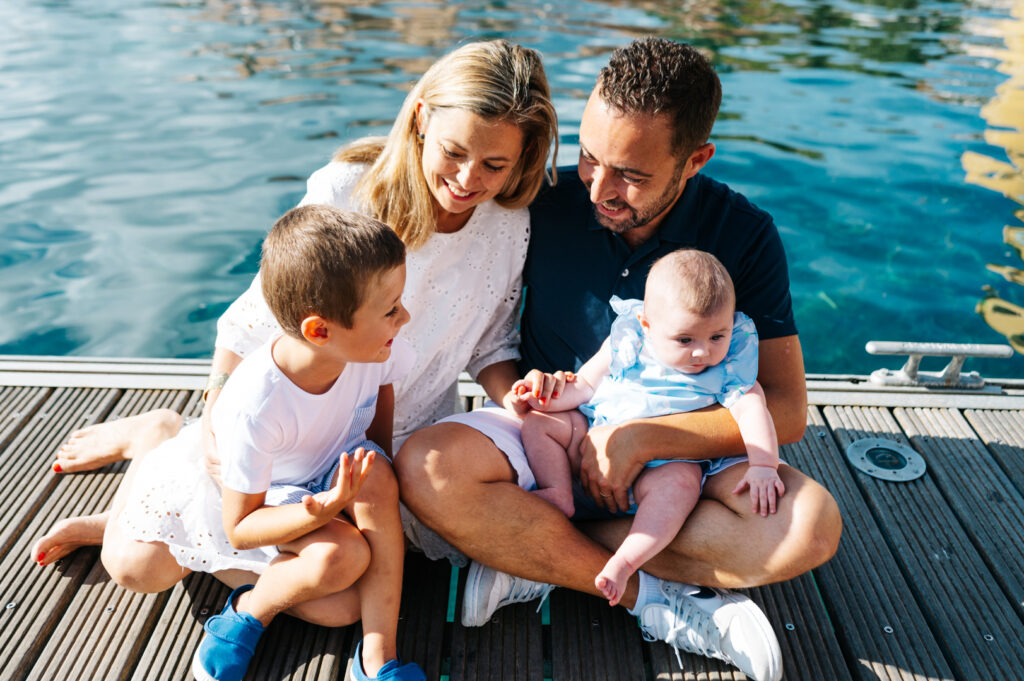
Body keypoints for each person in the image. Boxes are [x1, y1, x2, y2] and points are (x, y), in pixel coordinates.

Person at [32, 38, 557, 675]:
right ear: (420, 117)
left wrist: (516, 396)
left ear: (523, 158)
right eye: (453, 152)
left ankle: (171, 514)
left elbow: (492, 344)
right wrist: (217, 427)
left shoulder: (508, 223)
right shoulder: (347, 190)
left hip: (371, 445)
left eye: (495, 164)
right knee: (137, 570)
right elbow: (251, 321)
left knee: (339, 605)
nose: (469, 179)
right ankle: (158, 441)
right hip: (280, 434)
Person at [393, 38, 841, 681]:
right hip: (548, 436)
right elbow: (436, 204)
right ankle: (649, 593)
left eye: (631, 174)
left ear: (695, 160)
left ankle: (527, 553)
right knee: (426, 467)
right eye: (589, 157)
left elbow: (788, 408)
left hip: (679, 462)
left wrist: (641, 439)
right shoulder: (539, 202)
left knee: (810, 528)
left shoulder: (744, 236)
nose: (599, 188)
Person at [124, 205, 422, 681]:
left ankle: (377, 659)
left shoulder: (375, 347)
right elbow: (242, 524)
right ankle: (245, 613)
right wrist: (325, 509)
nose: (404, 317)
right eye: (390, 310)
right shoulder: (257, 406)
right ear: (319, 331)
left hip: (325, 478)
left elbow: (381, 393)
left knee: (374, 475)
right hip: (263, 498)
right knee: (339, 559)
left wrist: (376, 470)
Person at [511, 249, 785, 608]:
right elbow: (585, 386)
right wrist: (540, 401)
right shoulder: (629, 340)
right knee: (541, 426)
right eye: (685, 340)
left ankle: (626, 560)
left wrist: (764, 465)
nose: (702, 352)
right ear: (647, 325)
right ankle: (558, 490)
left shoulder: (730, 362)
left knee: (681, 486)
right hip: (598, 429)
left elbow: (753, 408)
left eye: (717, 336)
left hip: (668, 460)